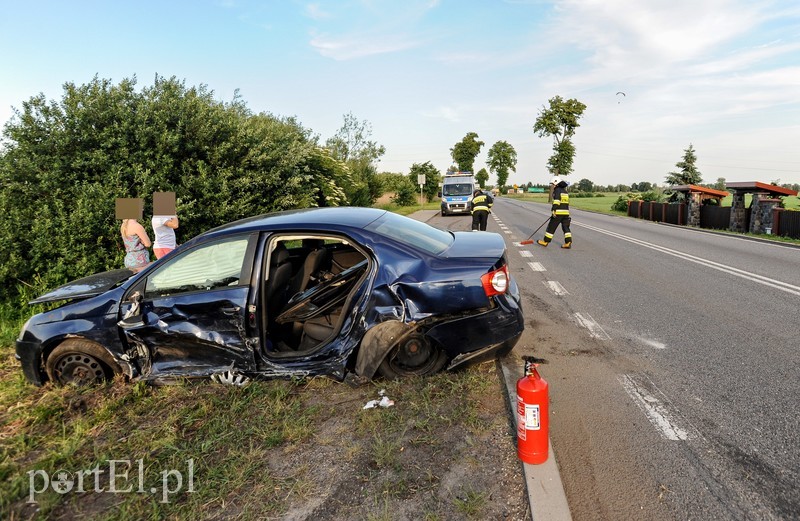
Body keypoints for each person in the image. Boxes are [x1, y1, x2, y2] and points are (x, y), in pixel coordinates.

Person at [538, 176, 572, 248]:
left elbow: (556, 201)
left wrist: (554, 210)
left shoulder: (557, 190)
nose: (552, 186)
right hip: (566, 213)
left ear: (556, 183)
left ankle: (545, 241)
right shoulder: (565, 191)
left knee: (551, 227)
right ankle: (568, 242)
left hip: (558, 213)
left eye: (553, 184)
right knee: (566, 228)